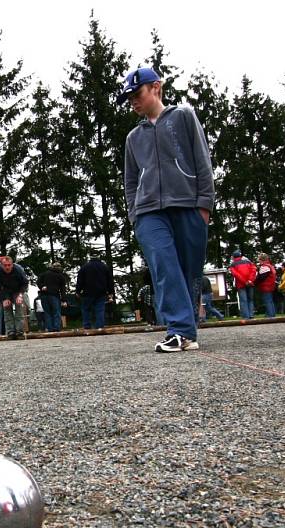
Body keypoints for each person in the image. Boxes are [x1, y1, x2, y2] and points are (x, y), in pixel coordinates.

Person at [120, 67, 214, 352]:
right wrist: (135, 215)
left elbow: (202, 159)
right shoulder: (133, 138)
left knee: (189, 269)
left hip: (187, 204)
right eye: (129, 98)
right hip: (148, 211)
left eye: (137, 94)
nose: (134, 102)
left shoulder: (184, 116)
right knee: (163, 264)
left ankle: (188, 331)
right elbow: (131, 181)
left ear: (156, 88)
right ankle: (179, 331)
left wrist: (204, 205)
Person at [0, 256, 28, 340]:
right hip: (5, 292)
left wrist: (20, 295)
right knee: (7, 308)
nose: (7, 267)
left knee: (19, 307)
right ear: (1, 265)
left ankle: (19, 332)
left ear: (12, 264)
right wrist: (4, 299)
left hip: (18, 290)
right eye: (5, 265)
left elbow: (25, 283)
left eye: (9, 265)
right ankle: (10, 332)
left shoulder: (18, 270)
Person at [76, 252, 114, 330]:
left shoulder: (84, 267)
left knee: (86, 309)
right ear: (99, 258)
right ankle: (99, 326)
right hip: (101, 292)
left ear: (90, 258)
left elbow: (80, 281)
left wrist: (78, 291)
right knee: (100, 309)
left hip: (87, 292)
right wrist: (110, 292)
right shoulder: (104, 267)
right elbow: (109, 281)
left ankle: (87, 326)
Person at [37, 262, 68, 332]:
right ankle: (56, 328)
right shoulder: (61, 276)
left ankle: (50, 328)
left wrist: (42, 286)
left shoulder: (44, 274)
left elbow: (38, 282)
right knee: (56, 312)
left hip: (44, 296)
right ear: (60, 268)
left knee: (47, 313)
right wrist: (64, 300)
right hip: (54, 296)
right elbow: (63, 290)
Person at [228, 251, 256, 319]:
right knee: (250, 300)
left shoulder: (233, 264)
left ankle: (246, 316)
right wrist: (250, 280)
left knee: (243, 300)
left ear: (233, 257)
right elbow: (254, 270)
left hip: (241, 284)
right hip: (250, 283)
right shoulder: (248, 262)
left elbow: (236, 275)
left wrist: (244, 281)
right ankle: (251, 314)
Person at [255, 253, 277, 318]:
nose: (258, 260)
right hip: (271, 285)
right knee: (270, 301)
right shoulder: (270, 266)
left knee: (267, 301)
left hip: (266, 286)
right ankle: (272, 314)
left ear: (261, 259)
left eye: (259, 259)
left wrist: (254, 282)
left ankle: (270, 315)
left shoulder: (265, 267)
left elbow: (261, 277)